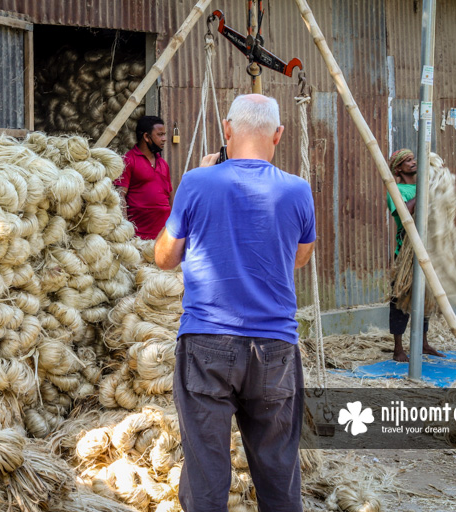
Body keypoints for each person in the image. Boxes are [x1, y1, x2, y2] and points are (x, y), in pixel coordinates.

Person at [154, 94, 315, 512]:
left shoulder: (196, 181)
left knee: (206, 471)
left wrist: (201, 184)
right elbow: (299, 257)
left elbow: (165, 257)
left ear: (227, 130)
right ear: (278, 134)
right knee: (278, 469)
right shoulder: (298, 190)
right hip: (276, 347)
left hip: (207, 342)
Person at [387, 148, 445, 362]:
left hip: (427, 249)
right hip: (406, 254)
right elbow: (404, 213)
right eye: (407, 161)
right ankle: (398, 349)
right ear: (398, 168)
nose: (413, 162)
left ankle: (423, 343)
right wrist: (423, 193)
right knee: (400, 299)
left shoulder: (422, 186)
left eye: (413, 159)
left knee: (425, 297)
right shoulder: (396, 190)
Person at [115, 115, 173, 239]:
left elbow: (169, 197)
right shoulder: (128, 160)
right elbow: (120, 195)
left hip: (163, 236)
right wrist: (126, 231)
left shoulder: (163, 164)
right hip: (139, 238)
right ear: (146, 137)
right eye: (160, 135)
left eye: (164, 134)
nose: (164, 139)